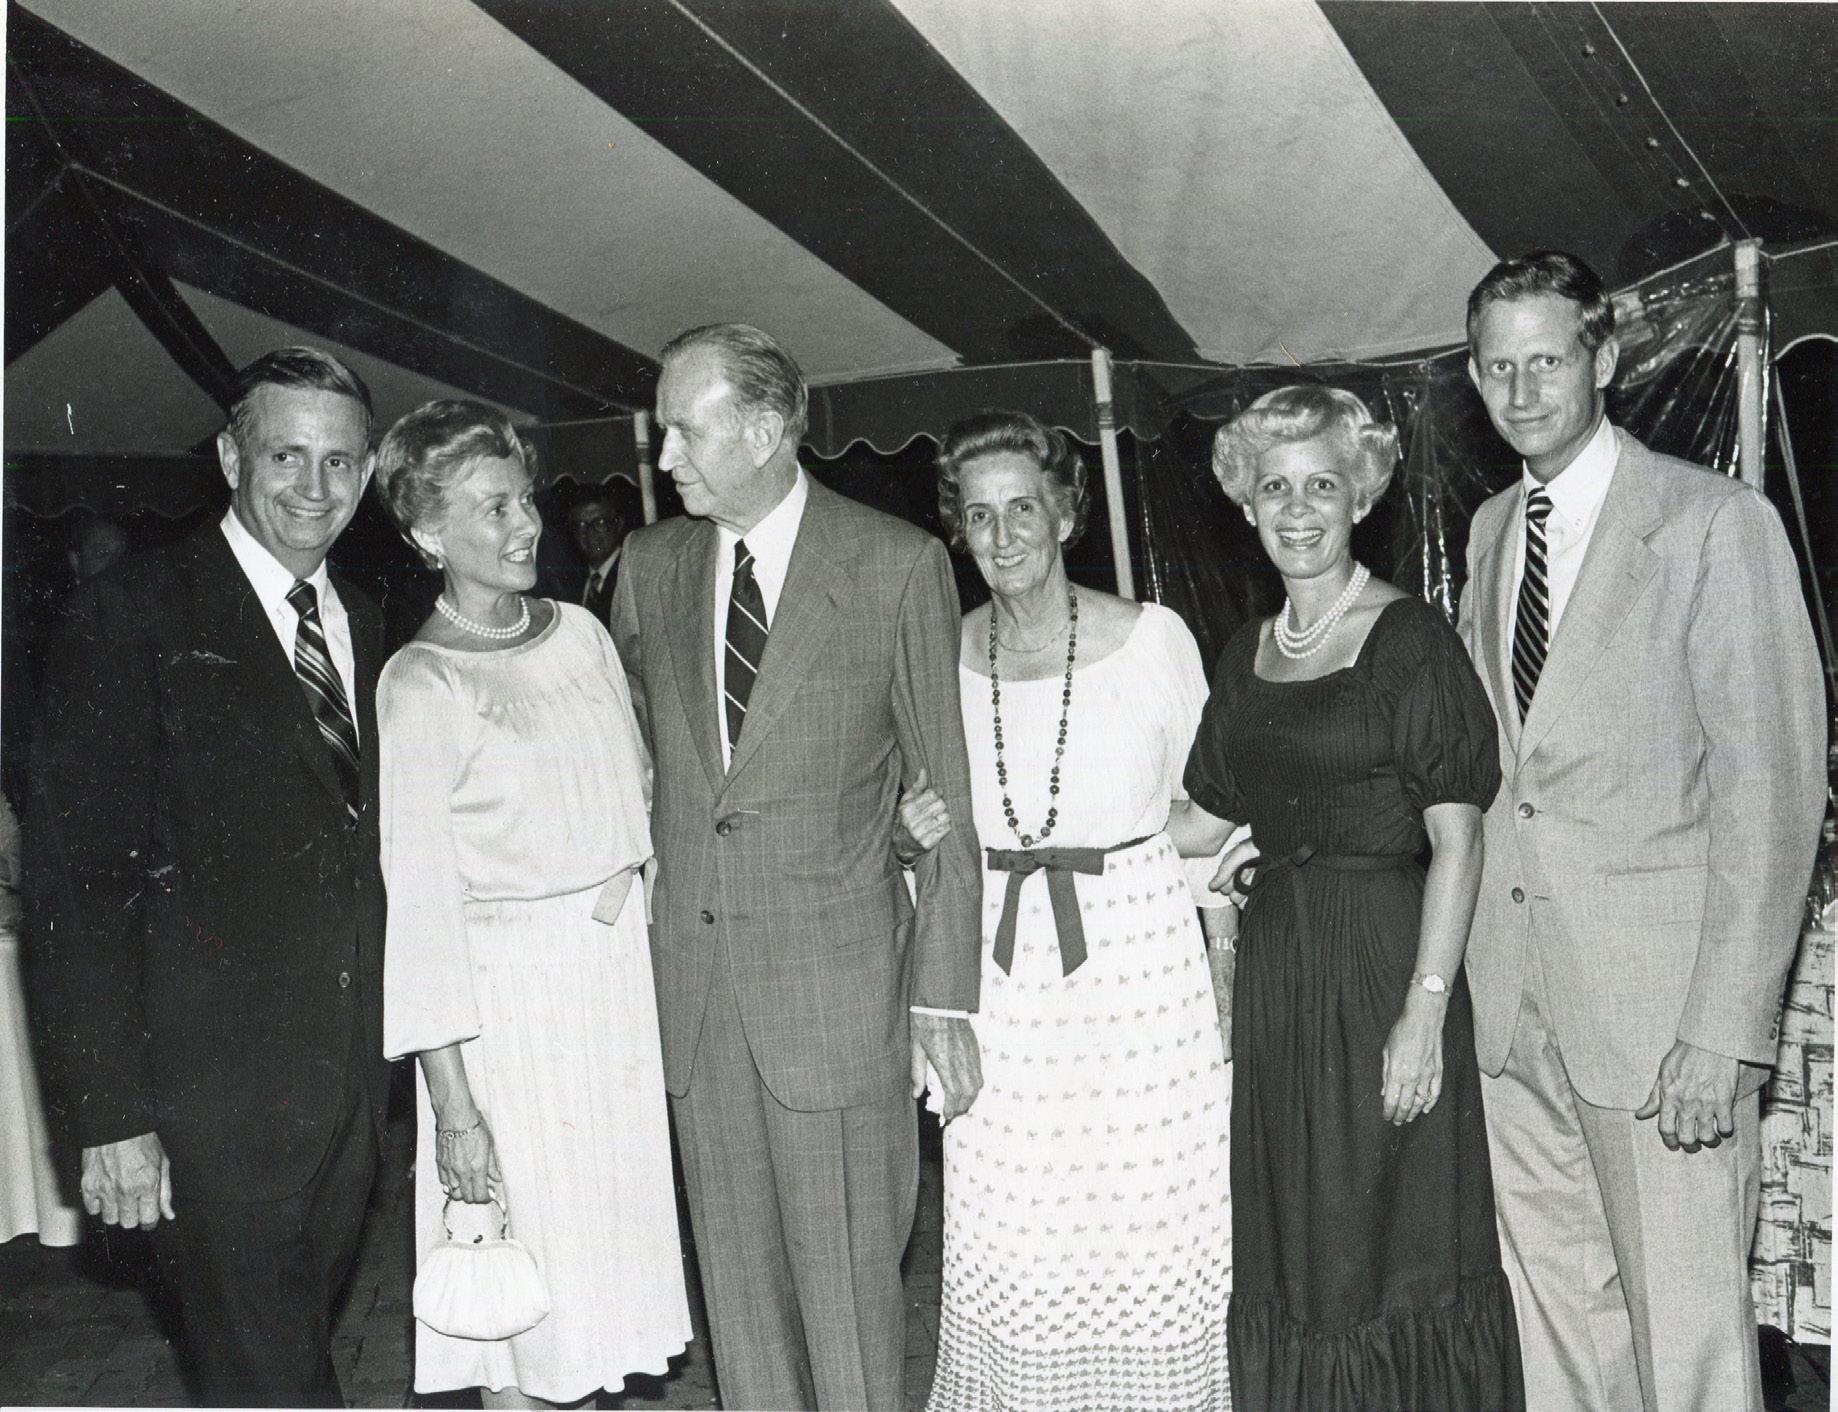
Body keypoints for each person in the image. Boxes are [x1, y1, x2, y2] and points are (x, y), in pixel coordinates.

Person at [1457, 250, 1826, 1412]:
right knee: (1556, 1330)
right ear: (1473, 378)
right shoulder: (1482, 532)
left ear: (1603, 359)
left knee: (1687, 1342)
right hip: (1513, 1014)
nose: (1522, 391)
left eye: (1547, 360)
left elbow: (1772, 794)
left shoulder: (1716, 522)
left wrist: (1723, 1030)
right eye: (1497, 366)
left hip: (1663, 1025)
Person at [610, 323, 982, 1411]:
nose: (664, 453)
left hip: (837, 1001)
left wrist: (942, 1001)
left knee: (852, 1307)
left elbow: (943, 801)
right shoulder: (647, 566)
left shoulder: (894, 563)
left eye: (686, 428)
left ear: (766, 429)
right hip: (697, 1000)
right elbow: (628, 760)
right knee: (741, 1313)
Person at [24, 348, 390, 1406]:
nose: (312, 489)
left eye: (338, 461)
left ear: (367, 474)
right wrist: (109, 1114)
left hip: (344, 1096)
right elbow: (77, 885)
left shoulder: (364, 617)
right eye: (285, 454)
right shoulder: (130, 611)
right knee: (272, 1375)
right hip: (205, 1105)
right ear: (232, 454)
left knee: (263, 1366)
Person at [1169, 384, 1524, 1411]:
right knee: (1300, 1235)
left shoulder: (1408, 639)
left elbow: (1457, 834)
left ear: (1358, 495)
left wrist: (1423, 1009)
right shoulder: (1242, 653)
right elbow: (1194, 815)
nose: (1295, 507)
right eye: (1272, 486)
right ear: (1244, 502)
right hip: (1282, 977)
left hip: (1382, 966)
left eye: (1320, 483)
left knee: (1386, 1239)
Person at [896, 410, 1236, 1411]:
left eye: (1023, 509)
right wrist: (907, 831)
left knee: (1145, 1223)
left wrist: (1216, 966)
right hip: (1000, 982)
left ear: (1064, 513)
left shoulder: (1149, 638)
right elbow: (906, 816)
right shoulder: (937, 650)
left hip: (1136, 970)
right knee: (1020, 1228)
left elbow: (1209, 814)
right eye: (978, 514)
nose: (1001, 536)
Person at [372, 400, 689, 1407]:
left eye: (523, 501)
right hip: (512, 1019)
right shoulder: (420, 683)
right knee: (526, 1307)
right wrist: (455, 1111)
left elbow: (640, 801)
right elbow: (418, 915)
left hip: (614, 993)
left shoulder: (585, 633)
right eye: (489, 509)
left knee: (601, 1294)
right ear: (426, 533)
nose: (524, 527)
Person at [566, 484, 634, 628]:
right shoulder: (570, 582)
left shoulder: (631, 572)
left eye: (600, 523)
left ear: (618, 524)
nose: (590, 533)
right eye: (581, 525)